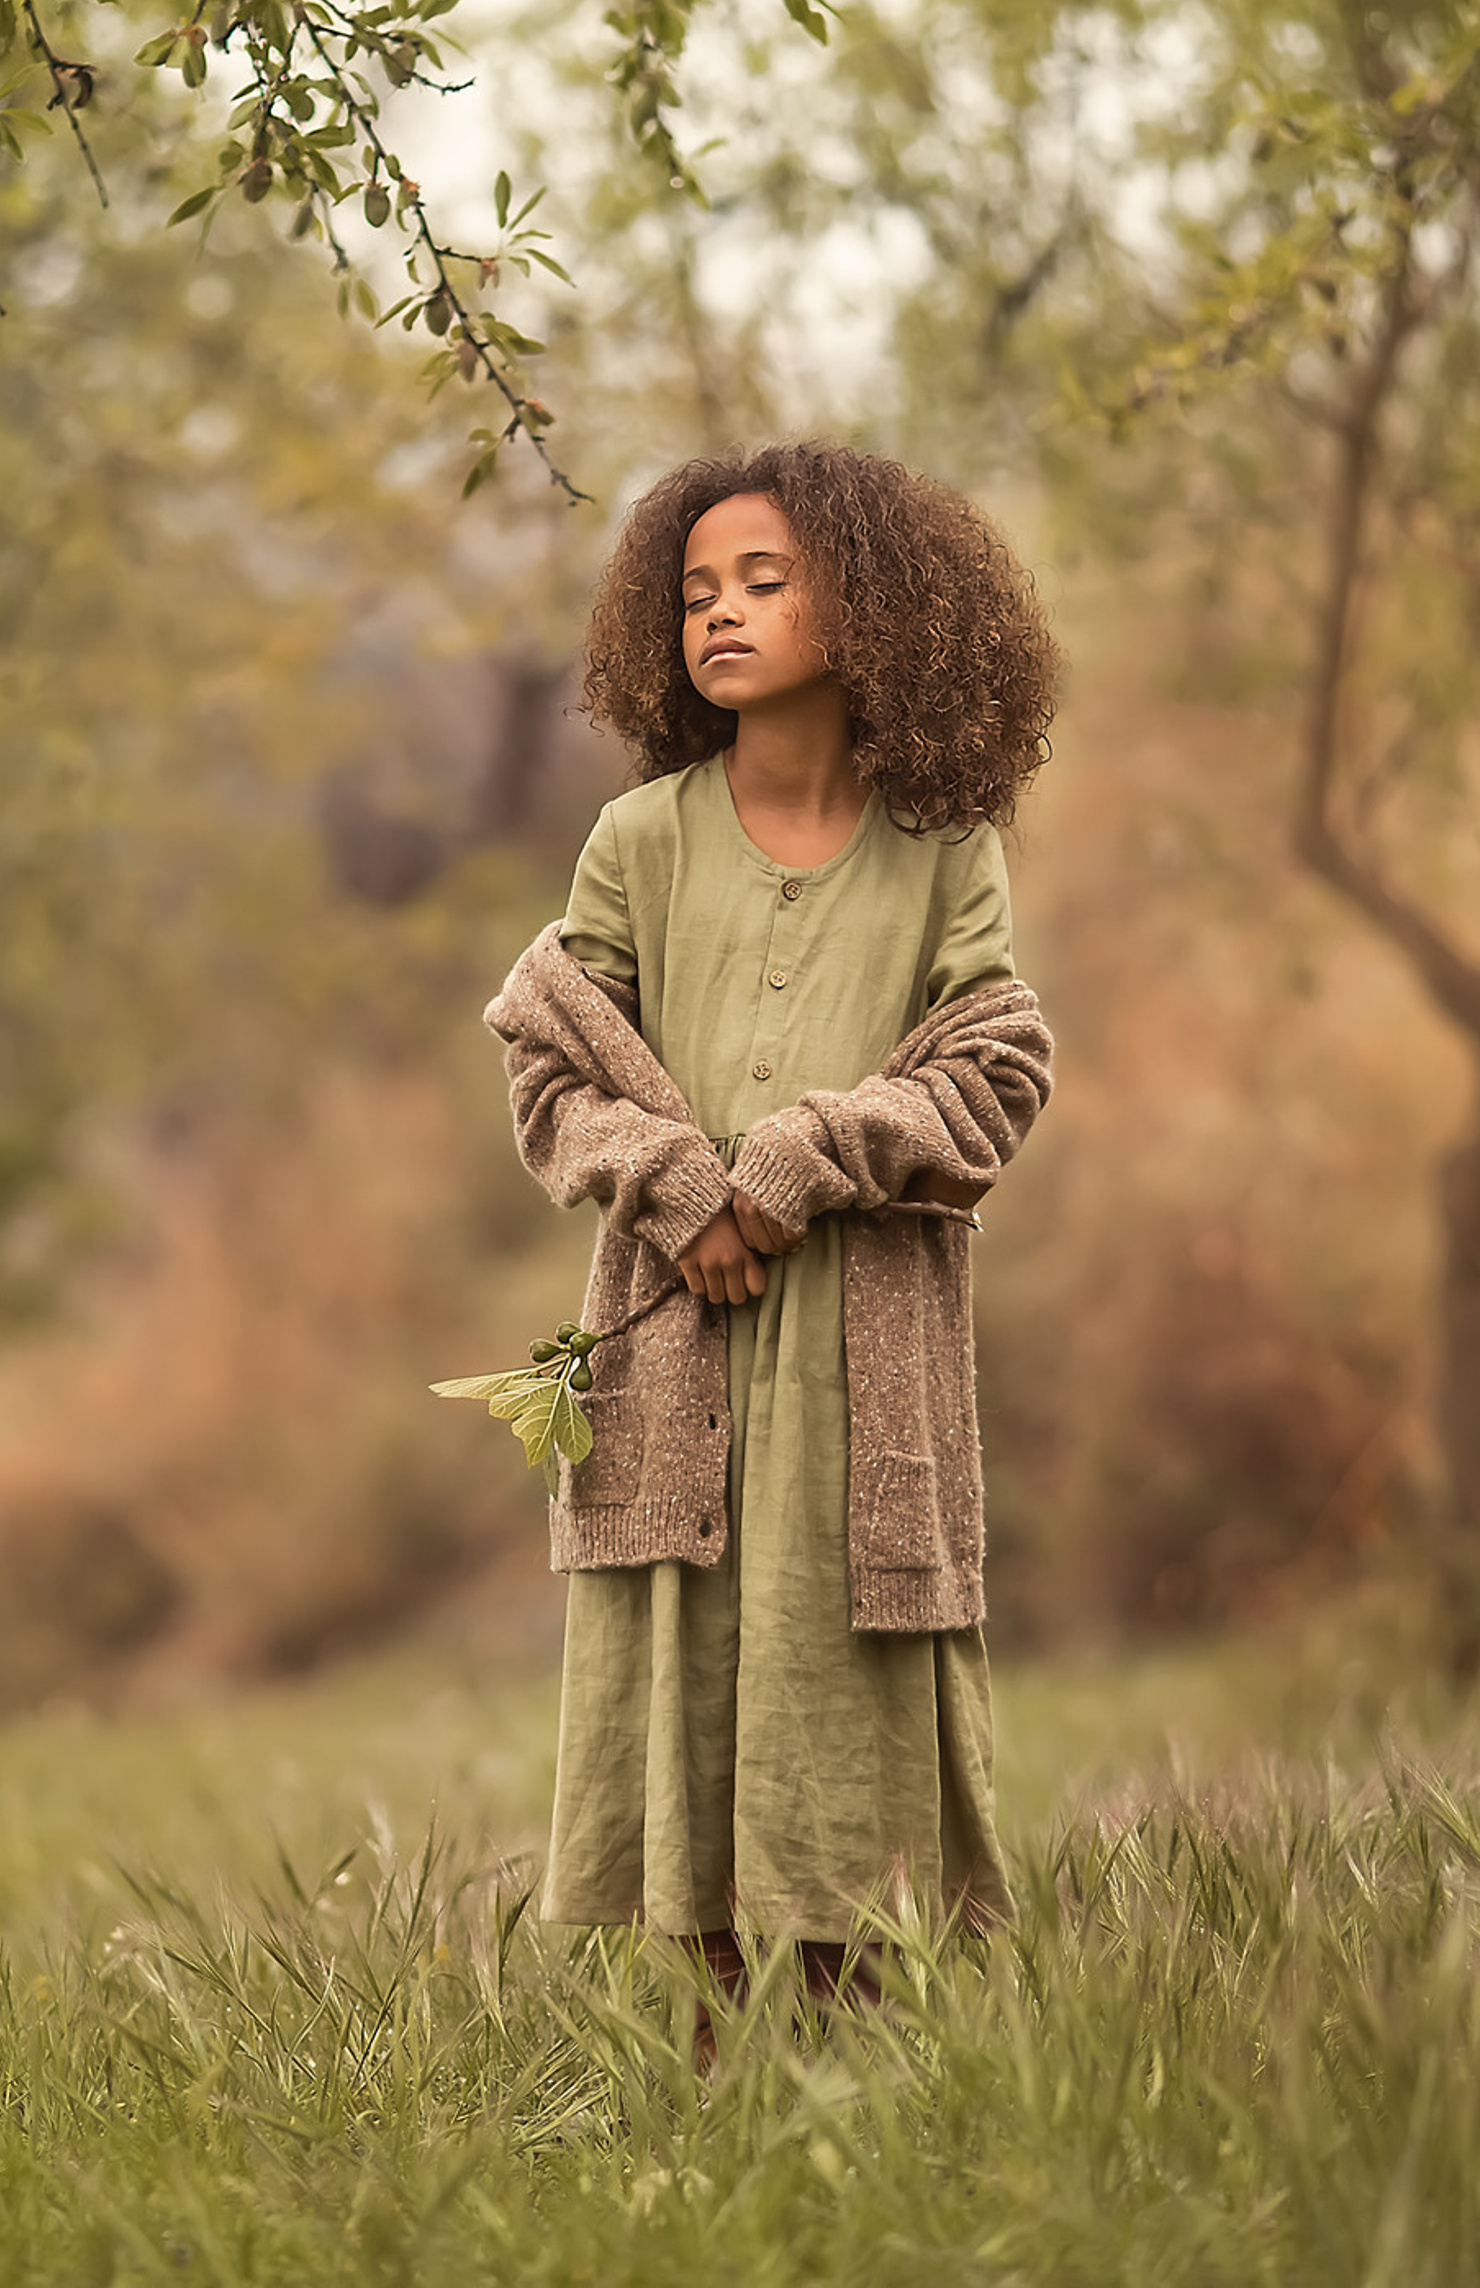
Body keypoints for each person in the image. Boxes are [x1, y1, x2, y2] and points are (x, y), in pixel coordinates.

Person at [483, 442, 1061, 2048]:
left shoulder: (946, 848)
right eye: (693, 592)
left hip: (862, 1370)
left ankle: (867, 2057)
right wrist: (683, 1196)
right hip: (680, 1344)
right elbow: (552, 1060)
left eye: (764, 581)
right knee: (705, 1685)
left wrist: (790, 1171)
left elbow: (993, 1069)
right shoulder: (640, 843)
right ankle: (720, 2065)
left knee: (846, 1696)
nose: (720, 614)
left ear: (870, 607)